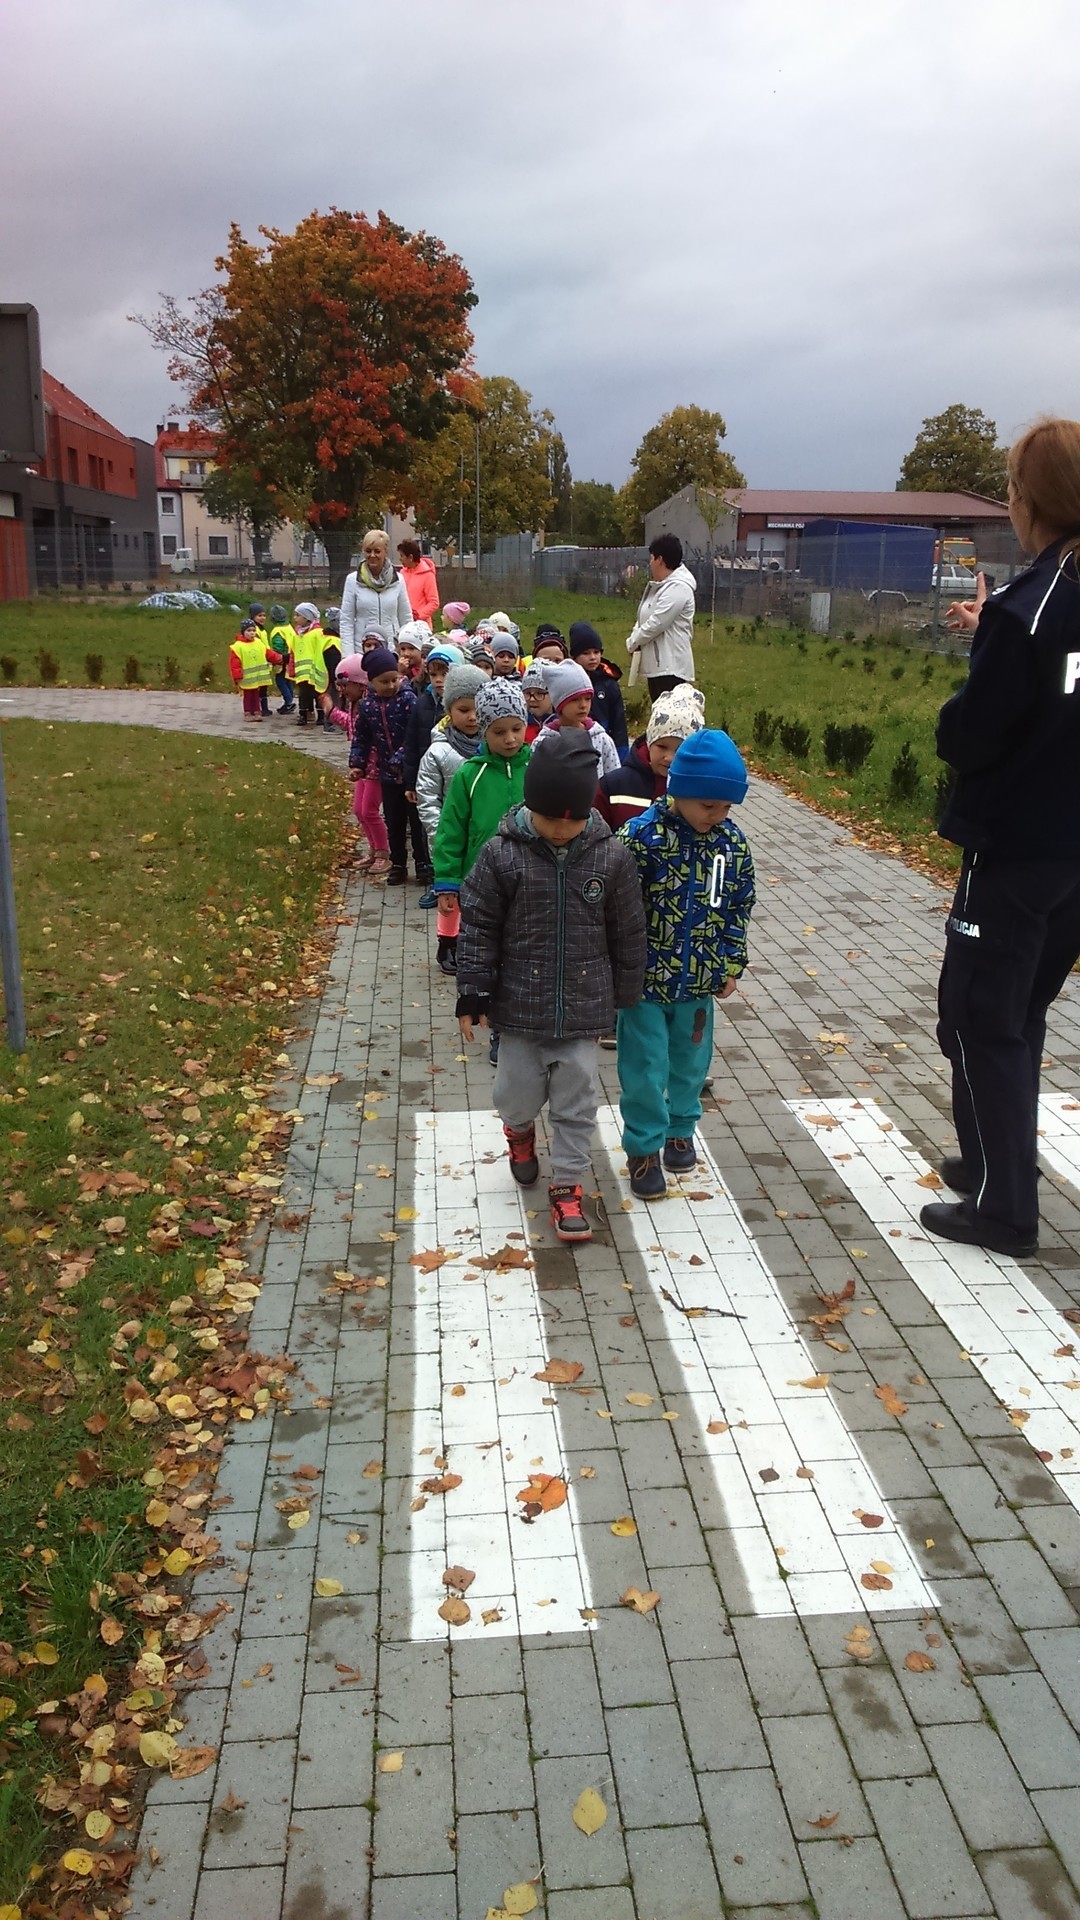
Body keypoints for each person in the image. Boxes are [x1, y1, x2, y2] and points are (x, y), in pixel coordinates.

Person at [921, 416, 1080, 1259]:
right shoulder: (1042, 603)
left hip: (1016, 846)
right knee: (1017, 1012)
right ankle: (991, 1162)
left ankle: (1004, 1209)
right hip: (1070, 858)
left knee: (977, 1016)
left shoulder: (1028, 609)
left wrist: (985, 654)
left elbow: (971, 735)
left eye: (1013, 491)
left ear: (1032, 500)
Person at [457, 731, 647, 1242]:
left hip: (583, 1008)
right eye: (550, 819)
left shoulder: (610, 858)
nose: (562, 830)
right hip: (519, 1008)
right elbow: (478, 926)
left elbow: (628, 931)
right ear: (530, 805)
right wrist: (473, 990)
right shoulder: (502, 855)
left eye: (573, 820)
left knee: (576, 1103)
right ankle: (518, 1132)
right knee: (514, 1095)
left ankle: (568, 1185)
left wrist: (627, 995)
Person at [617, 729, 755, 1198]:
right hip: (644, 984)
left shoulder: (731, 845)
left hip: (699, 982)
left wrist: (731, 962)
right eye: (708, 805)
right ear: (678, 790)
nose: (717, 815)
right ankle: (643, 1147)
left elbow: (739, 905)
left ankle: (681, 1128)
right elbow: (616, 908)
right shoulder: (641, 838)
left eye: (726, 807)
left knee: (691, 1063)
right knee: (644, 1067)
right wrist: (616, 965)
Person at [432, 678, 532, 1059]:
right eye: (499, 731)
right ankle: (499, 1030)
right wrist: (447, 881)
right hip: (484, 886)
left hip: (531, 882)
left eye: (516, 729)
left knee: (527, 956)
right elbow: (452, 829)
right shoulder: (468, 775)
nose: (510, 739)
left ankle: (529, 1024)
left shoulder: (538, 767)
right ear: (484, 731)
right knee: (493, 958)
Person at [416, 662, 487, 971]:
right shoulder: (439, 752)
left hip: (484, 834)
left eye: (478, 710)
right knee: (451, 892)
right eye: (463, 710)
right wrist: (438, 833)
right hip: (451, 836)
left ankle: (478, 941)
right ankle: (447, 942)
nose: (472, 717)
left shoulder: (493, 746)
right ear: (449, 711)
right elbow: (427, 797)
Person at [348, 646, 429, 887]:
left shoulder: (407, 699)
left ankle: (423, 864)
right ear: (371, 681)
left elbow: (415, 734)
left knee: (417, 821)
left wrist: (400, 758)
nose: (391, 685)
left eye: (394, 679)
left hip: (411, 772)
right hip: (387, 775)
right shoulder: (368, 706)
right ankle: (398, 864)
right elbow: (362, 737)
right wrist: (358, 763)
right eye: (384, 681)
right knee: (394, 822)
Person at [402, 642, 465, 906]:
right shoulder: (422, 704)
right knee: (432, 831)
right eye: (434, 674)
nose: (439, 680)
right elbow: (411, 744)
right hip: (429, 776)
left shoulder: (465, 704)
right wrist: (410, 781)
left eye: (445, 674)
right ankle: (437, 882)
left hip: (454, 777)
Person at [596, 683, 706, 828]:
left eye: (679, 750)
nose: (669, 758)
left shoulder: (700, 791)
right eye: (662, 747)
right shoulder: (614, 785)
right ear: (649, 743)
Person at [319, 654, 386, 872]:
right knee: (358, 810)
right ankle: (373, 850)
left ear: (360, 683)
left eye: (344, 685)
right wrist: (333, 712)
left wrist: (332, 712)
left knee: (369, 811)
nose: (341, 690)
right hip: (363, 767)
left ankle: (383, 852)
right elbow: (352, 725)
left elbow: (358, 729)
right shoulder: (355, 703)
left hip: (375, 767)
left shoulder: (369, 704)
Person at [626, 533, 697, 698]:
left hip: (671, 668)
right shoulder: (663, 587)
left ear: (660, 560)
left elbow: (657, 623)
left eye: (652, 558)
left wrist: (633, 642)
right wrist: (635, 636)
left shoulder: (678, 588)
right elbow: (645, 617)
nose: (650, 563)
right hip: (658, 668)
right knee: (658, 710)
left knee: (670, 712)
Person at [532, 660, 621, 777]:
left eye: (587, 699)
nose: (583, 705)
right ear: (559, 703)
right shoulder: (543, 743)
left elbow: (614, 778)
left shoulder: (601, 739)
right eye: (574, 699)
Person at [340, 529, 413, 653]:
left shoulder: (398, 580)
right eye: (368, 551)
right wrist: (348, 655)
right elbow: (346, 621)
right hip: (363, 651)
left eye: (377, 551)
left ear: (386, 551)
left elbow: (406, 619)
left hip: (391, 651)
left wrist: (407, 651)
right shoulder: (352, 580)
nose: (372, 555)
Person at [569, 621, 629, 757]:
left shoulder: (609, 683)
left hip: (606, 746)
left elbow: (619, 722)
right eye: (586, 653)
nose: (592, 657)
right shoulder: (570, 682)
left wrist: (622, 752)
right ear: (574, 656)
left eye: (596, 652)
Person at [228, 617, 284, 721]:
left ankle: (257, 711)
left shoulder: (258, 643)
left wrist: (279, 658)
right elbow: (235, 663)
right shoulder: (237, 647)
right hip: (246, 678)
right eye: (249, 631)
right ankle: (248, 712)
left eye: (253, 630)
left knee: (256, 695)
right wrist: (237, 676)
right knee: (248, 696)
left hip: (257, 678)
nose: (252, 633)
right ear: (243, 632)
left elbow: (268, 653)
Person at [289, 602, 328, 726]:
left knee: (317, 694)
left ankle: (321, 715)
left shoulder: (318, 633)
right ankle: (303, 715)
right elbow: (293, 652)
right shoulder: (296, 635)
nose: (295, 618)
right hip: (302, 673)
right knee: (303, 695)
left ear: (307, 617)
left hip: (315, 671)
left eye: (298, 615)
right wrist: (292, 668)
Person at [397, 537, 440, 625]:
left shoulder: (428, 575)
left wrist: (417, 615)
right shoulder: (402, 573)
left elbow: (434, 602)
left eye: (402, 556)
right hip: (403, 623)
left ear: (410, 557)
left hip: (421, 626)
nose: (400, 559)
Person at [267, 603, 296, 714]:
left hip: (282, 660)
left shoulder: (277, 631)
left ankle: (288, 702)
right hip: (291, 658)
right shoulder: (289, 627)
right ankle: (290, 700)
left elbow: (278, 646)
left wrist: (276, 657)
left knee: (280, 681)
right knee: (288, 680)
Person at [249, 603, 272, 716]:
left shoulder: (262, 630)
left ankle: (264, 708)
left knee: (264, 686)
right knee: (257, 687)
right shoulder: (254, 630)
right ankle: (256, 708)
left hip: (265, 661)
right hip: (258, 661)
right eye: (259, 616)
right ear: (253, 616)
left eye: (264, 615)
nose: (262, 618)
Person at [522, 664, 555, 741]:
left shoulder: (563, 726)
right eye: (527, 693)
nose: (532, 699)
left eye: (539, 693)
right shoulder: (519, 727)